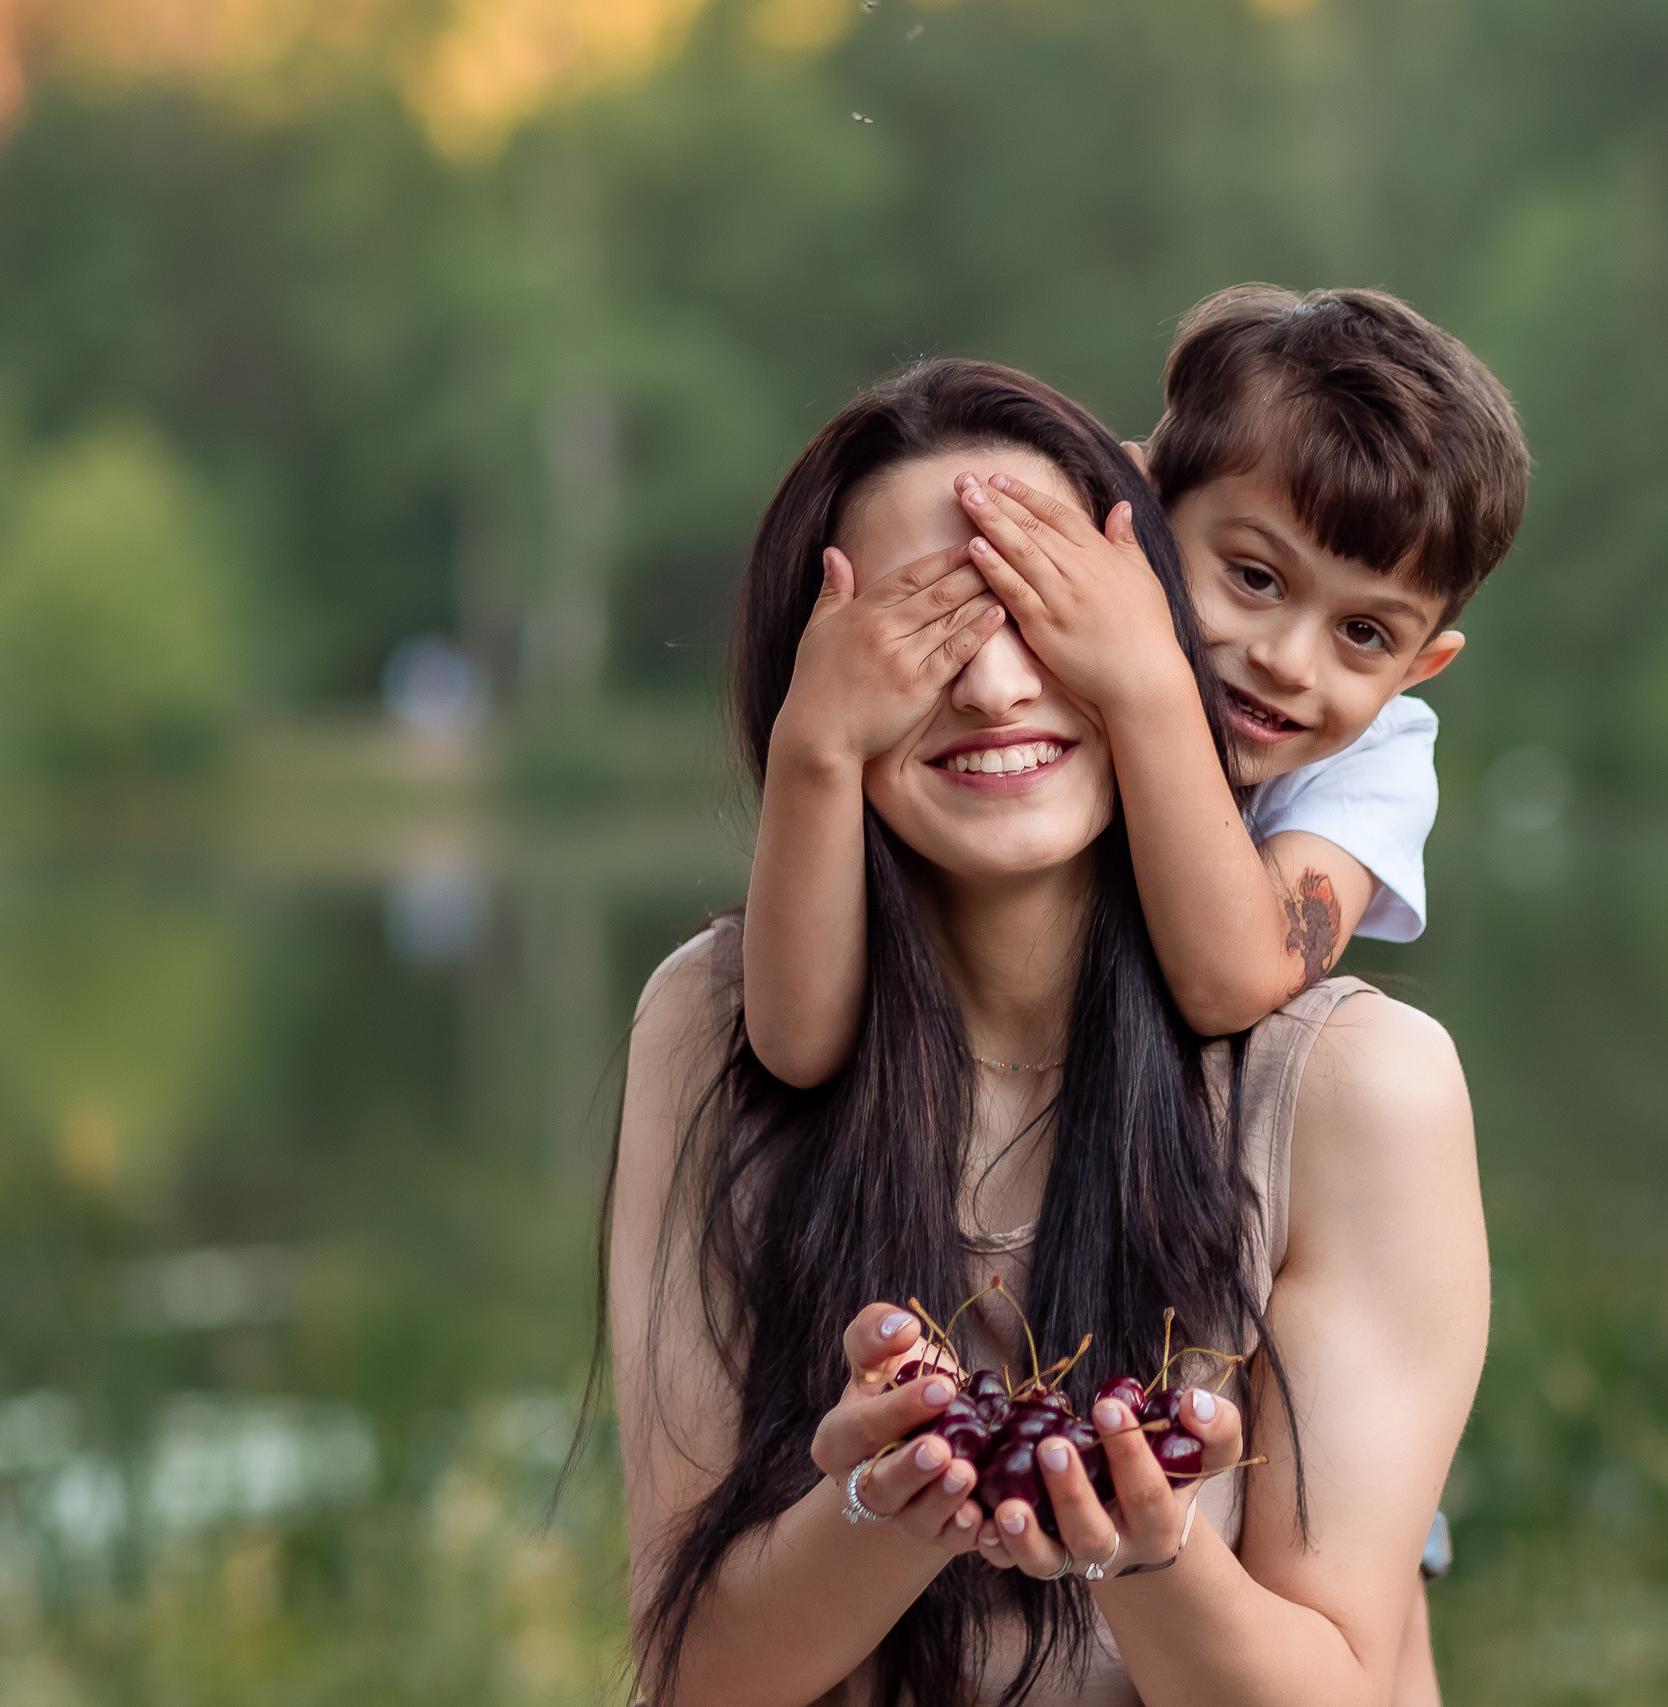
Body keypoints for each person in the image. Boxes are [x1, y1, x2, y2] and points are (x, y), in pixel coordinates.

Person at [607, 359, 1490, 1706]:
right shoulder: (705, 1018)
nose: (995, 684)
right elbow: (694, 1678)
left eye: (1040, 607)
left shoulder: (1355, 1085)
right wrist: (888, 1502)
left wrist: (1149, 1547)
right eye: (926, 628)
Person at [741, 284, 1529, 1088]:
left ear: (1417, 670)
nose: (1288, 662)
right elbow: (798, 1048)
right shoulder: (1046, 696)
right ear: (1141, 509)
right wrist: (817, 747)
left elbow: (1235, 982)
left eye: (1365, 633)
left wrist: (1145, 683)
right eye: (1255, 577)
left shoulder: (1377, 761)